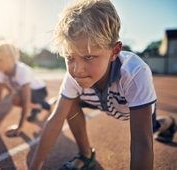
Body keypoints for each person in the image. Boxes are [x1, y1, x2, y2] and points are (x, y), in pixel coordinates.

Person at [29, 0, 176, 170]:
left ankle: (169, 123)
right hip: (99, 102)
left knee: (151, 129)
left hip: (131, 110)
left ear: (114, 51)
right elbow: (55, 120)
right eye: (69, 57)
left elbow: (142, 142)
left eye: (89, 57)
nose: (78, 70)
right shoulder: (74, 76)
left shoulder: (135, 73)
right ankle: (85, 154)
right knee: (66, 105)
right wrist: (35, 166)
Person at [0, 42, 51, 137]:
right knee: (16, 99)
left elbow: (26, 99)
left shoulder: (22, 71)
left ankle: (45, 105)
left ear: (13, 60)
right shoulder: (2, 71)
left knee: (17, 99)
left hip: (39, 91)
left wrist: (20, 126)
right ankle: (37, 107)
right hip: (25, 93)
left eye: (0, 60)